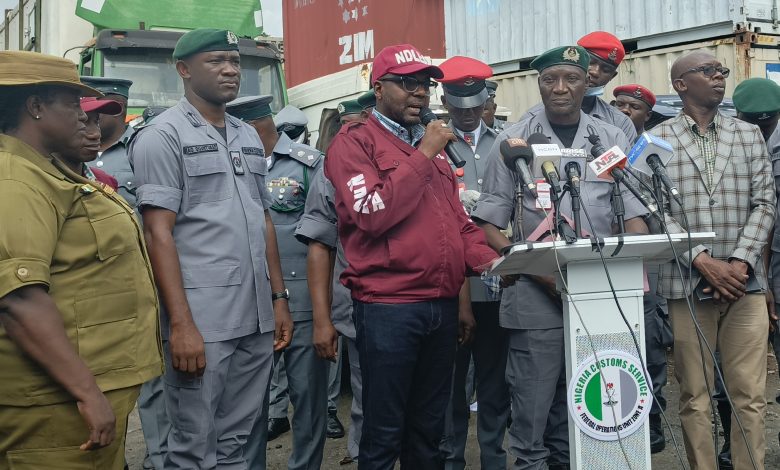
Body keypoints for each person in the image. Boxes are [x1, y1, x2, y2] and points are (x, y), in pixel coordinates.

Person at [472, 45, 650, 470]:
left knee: (594, 407)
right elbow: (488, 223)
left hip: (601, 292)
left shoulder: (608, 137)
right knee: (534, 414)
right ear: (539, 83)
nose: (560, 88)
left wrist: (624, 259)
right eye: (550, 79)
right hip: (537, 297)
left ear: (588, 82)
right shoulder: (513, 140)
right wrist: (529, 266)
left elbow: (635, 213)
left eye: (571, 78)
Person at [324, 43, 497, 469]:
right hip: (389, 308)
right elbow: (370, 214)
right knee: (384, 432)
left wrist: (493, 263)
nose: (420, 92)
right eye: (407, 83)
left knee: (428, 431)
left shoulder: (429, 148)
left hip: (438, 305)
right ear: (378, 88)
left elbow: (457, 223)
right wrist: (423, 156)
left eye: (424, 84)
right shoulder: (355, 143)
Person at [128, 29, 293, 469]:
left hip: (255, 317)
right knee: (192, 447)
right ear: (183, 70)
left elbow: (262, 219)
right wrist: (180, 325)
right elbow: (157, 234)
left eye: (235, 62)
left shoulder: (246, 134)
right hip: (204, 323)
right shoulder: (162, 136)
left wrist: (279, 299)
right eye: (216, 60)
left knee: (236, 444)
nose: (229, 70)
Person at [0, 50, 162, 470]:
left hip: (73, 392)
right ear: (35, 107)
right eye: (72, 104)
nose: (83, 115)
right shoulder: (16, 178)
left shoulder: (47, 171)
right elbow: (19, 299)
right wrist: (87, 393)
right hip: (54, 405)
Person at [650, 51, 775, 470]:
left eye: (721, 71)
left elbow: (765, 204)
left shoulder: (748, 134)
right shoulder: (655, 139)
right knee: (695, 396)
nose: (719, 77)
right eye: (708, 71)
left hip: (746, 286)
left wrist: (738, 264)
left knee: (749, 396)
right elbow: (652, 209)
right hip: (687, 284)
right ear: (681, 84)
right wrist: (701, 260)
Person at [229, 96, 329, 470]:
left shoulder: (307, 164)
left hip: (302, 301)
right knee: (249, 403)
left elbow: (326, 235)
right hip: (250, 304)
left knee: (308, 401)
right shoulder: (230, 165)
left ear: (254, 127)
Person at [436, 55, 510, 470]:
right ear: (445, 102)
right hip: (451, 285)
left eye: (473, 106)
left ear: (485, 103)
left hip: (498, 281)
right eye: (457, 107)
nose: (465, 114)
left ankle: (494, 459)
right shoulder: (430, 144)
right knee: (450, 386)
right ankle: (451, 459)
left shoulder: (505, 142)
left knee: (495, 383)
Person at [716, 76, 780, 469]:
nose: (760, 127)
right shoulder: (731, 140)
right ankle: (731, 445)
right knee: (736, 374)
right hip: (749, 271)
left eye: (768, 120)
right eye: (752, 119)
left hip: (761, 268)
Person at [611, 83, 672, 453]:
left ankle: (651, 424)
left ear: (646, 115)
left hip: (648, 275)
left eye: (631, 106)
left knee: (649, 354)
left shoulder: (653, 153)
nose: (623, 111)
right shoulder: (602, 148)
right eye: (617, 104)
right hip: (606, 270)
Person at [296, 168, 364, 465]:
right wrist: (322, 321)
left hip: (427, 308)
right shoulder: (338, 164)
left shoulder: (430, 151)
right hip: (363, 310)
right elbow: (320, 244)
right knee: (367, 407)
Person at [524, 31, 637, 142]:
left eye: (605, 70)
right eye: (591, 62)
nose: (595, 72)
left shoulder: (620, 124)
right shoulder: (530, 119)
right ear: (575, 61)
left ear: (612, 77)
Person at [82, 77, 137, 207]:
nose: (84, 113)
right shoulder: (69, 150)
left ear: (119, 108)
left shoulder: (143, 148)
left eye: (97, 107)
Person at [52, 96, 122, 189]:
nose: (96, 134)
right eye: (82, 122)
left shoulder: (106, 182)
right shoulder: (34, 183)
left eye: (97, 121)